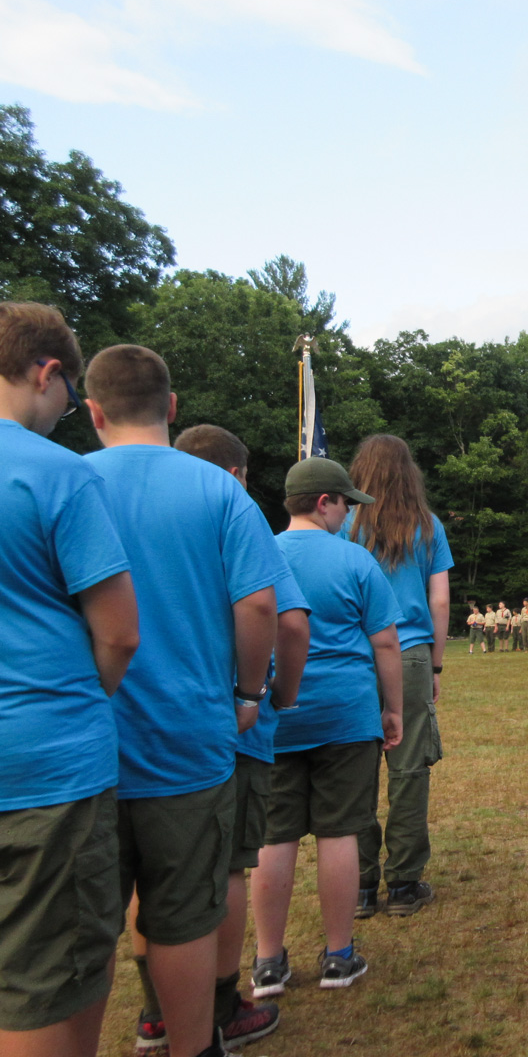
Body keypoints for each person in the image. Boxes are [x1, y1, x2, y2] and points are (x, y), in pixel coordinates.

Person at [84, 345, 280, 1057]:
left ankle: (147, 1021)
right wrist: (249, 693)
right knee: (186, 910)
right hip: (189, 738)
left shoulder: (63, 482)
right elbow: (261, 605)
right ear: (171, 408)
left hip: (87, 741)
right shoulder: (219, 491)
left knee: (98, 914)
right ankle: (194, 1044)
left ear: (93, 411)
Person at [137, 424, 309, 1053]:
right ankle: (219, 1004)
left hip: (129, 719)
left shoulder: (102, 495)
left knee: (147, 874)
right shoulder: (231, 510)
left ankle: (156, 1012)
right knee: (228, 865)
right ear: (236, 474)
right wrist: (259, 696)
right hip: (220, 721)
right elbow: (283, 617)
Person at [0, 304, 139, 1057]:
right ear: (46, 373)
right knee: (51, 979)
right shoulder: (52, 470)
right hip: (45, 769)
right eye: (66, 392)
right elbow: (118, 631)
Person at [251, 458, 403, 992]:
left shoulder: (257, 551)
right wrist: (394, 709)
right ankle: (339, 955)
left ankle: (268, 960)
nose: (348, 514)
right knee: (340, 832)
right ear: (324, 503)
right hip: (345, 714)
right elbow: (386, 641)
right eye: (344, 504)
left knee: (274, 837)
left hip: (273, 717)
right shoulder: (356, 560)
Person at [346, 434, 453, 916]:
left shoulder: (342, 524)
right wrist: (434, 664)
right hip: (409, 652)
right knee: (409, 769)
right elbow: (441, 601)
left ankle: (361, 885)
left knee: (355, 774)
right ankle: (404, 884)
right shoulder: (427, 526)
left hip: (353, 656)